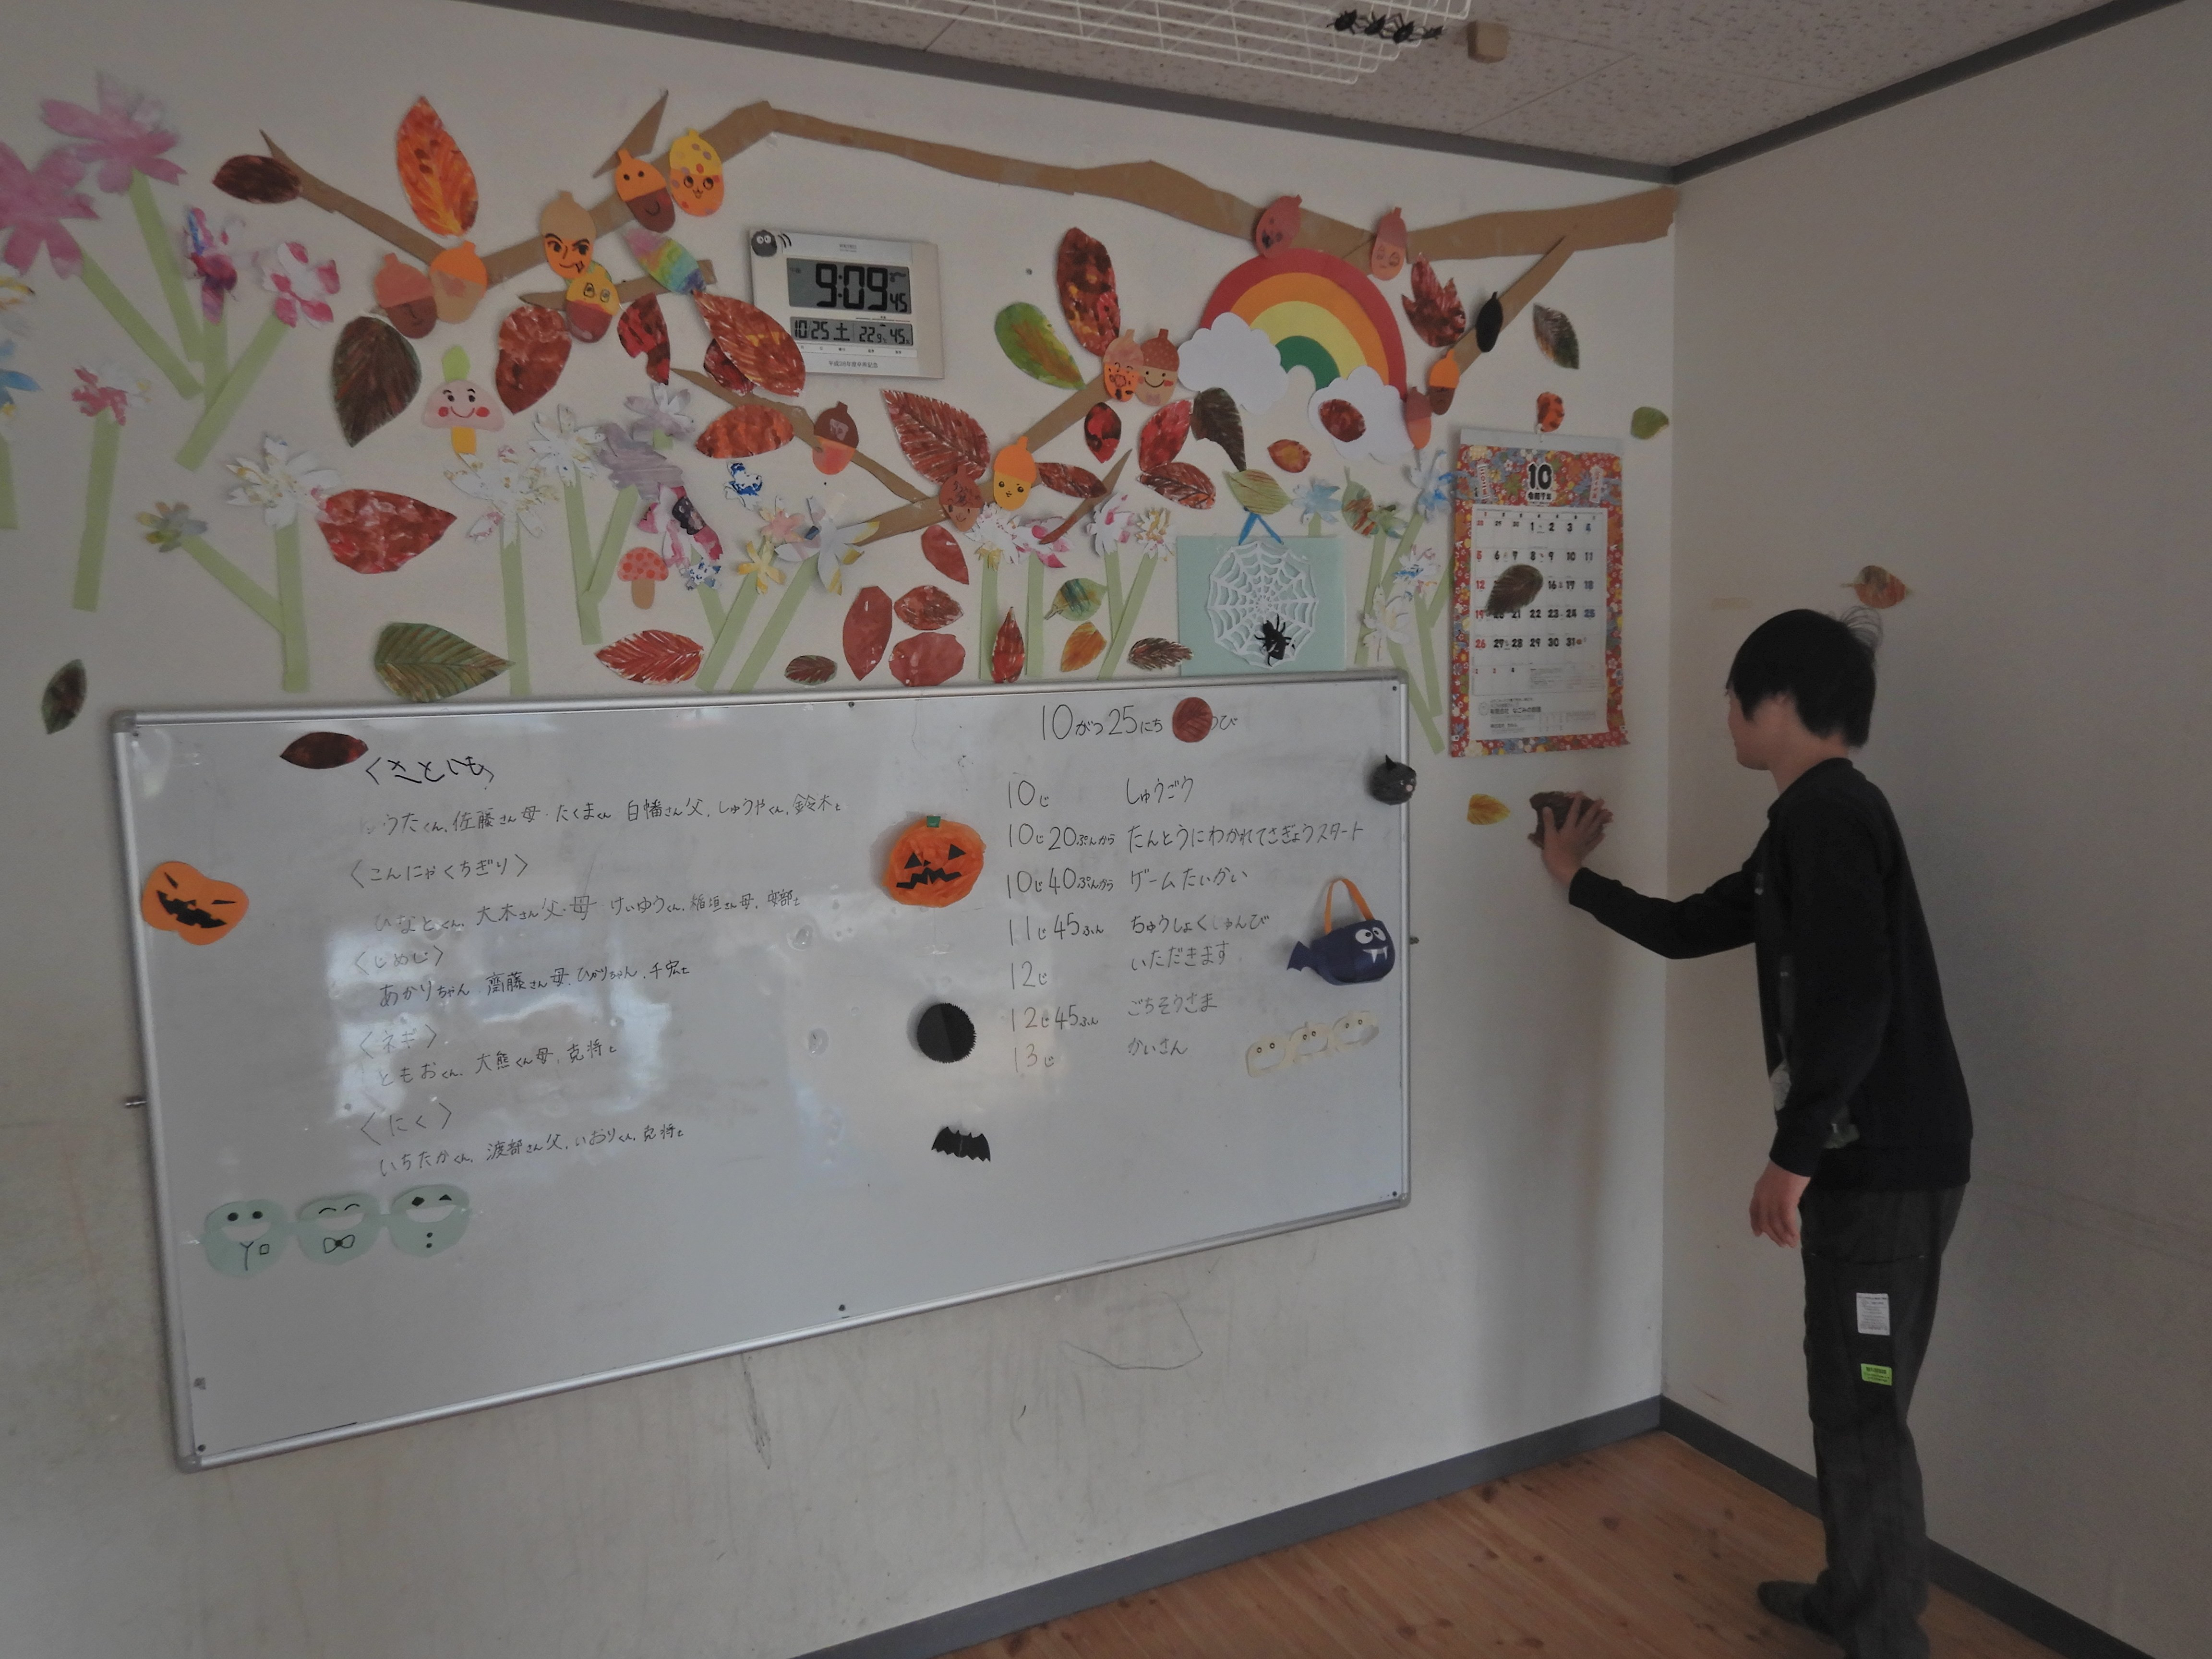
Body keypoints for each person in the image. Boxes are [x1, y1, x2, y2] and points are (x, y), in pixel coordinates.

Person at [1536, 609, 1972, 1659]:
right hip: (1868, 1165)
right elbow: (1697, 925)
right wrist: (1577, 879)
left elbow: (1858, 1001)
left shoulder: (1830, 819)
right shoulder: (1808, 823)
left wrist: (1794, 1154)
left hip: (1881, 1172)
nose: (1725, 716)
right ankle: (1856, 1599)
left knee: (1864, 1403)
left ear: (1776, 701)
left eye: (1733, 697)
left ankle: (1882, 1634)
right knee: (1848, 1392)